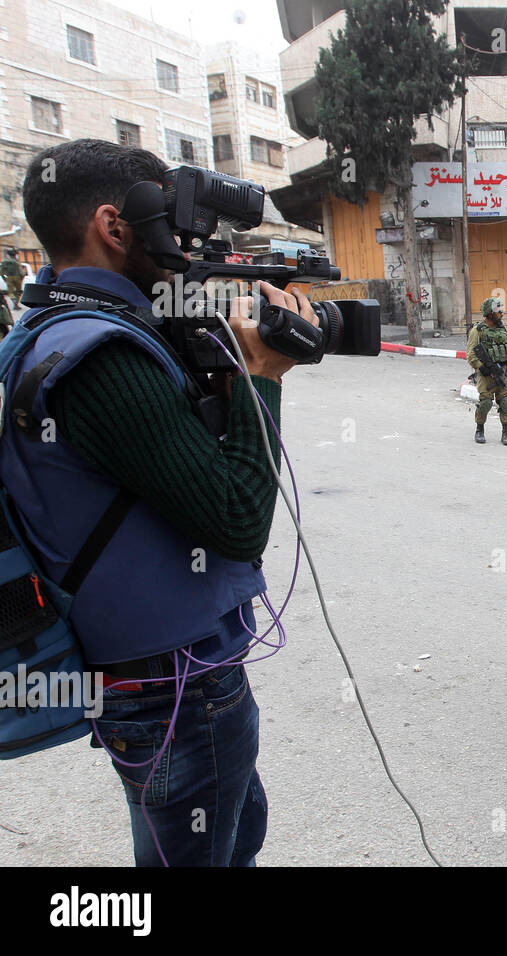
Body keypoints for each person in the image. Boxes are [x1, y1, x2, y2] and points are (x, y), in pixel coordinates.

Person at [7, 138, 315, 865]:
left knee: (233, 834)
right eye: (166, 223)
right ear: (115, 227)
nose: (179, 243)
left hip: (148, 675)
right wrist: (263, 375)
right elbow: (238, 522)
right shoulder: (103, 356)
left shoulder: (48, 328)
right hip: (172, 686)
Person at [466, 296, 507, 445]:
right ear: (489, 313)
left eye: (502, 311)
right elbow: (470, 354)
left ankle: (506, 432)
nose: (502, 314)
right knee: (486, 403)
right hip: (486, 374)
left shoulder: (503, 330)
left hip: (503, 371)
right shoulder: (478, 331)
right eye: (498, 311)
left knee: (506, 402)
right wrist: (481, 367)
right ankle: (479, 429)